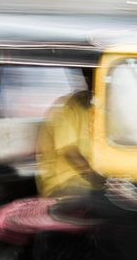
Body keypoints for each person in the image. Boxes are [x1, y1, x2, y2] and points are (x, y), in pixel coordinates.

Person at [35, 68, 102, 198]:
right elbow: (70, 153)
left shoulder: (98, 109)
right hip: (65, 185)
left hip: (88, 185)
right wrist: (98, 180)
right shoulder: (67, 108)